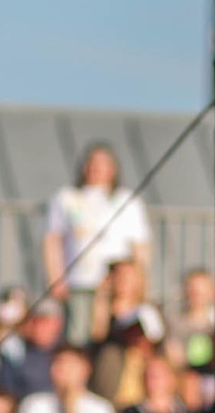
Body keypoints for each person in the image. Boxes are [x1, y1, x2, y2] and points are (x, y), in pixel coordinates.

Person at [41, 145, 147, 348]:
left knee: (113, 339)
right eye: (93, 163)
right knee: (78, 340)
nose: (97, 169)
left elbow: (140, 245)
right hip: (79, 282)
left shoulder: (127, 200)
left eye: (103, 163)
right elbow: (52, 240)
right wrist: (55, 277)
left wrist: (139, 282)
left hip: (116, 287)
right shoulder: (67, 198)